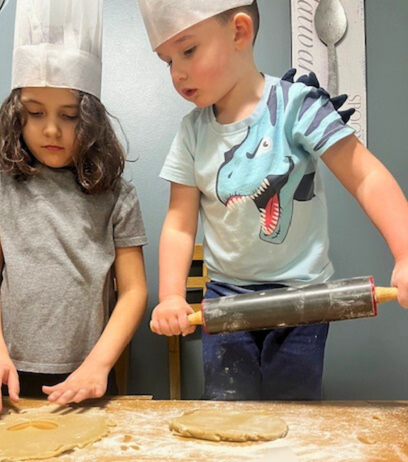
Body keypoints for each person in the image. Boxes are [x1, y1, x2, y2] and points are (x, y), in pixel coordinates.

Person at [136, 0, 408, 400]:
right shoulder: (192, 132)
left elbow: (366, 176)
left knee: (293, 415)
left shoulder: (298, 107)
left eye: (188, 50)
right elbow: (179, 223)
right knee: (230, 415)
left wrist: (404, 253)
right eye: (167, 61)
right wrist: (172, 295)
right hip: (225, 299)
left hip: (302, 298)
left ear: (239, 32)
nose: (177, 72)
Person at [0, 0, 148, 420]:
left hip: (90, 376)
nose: (50, 129)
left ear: (92, 118)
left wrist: (99, 365)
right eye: (33, 113)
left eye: (68, 116)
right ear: (15, 113)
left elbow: (134, 290)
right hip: (7, 375)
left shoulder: (117, 193)